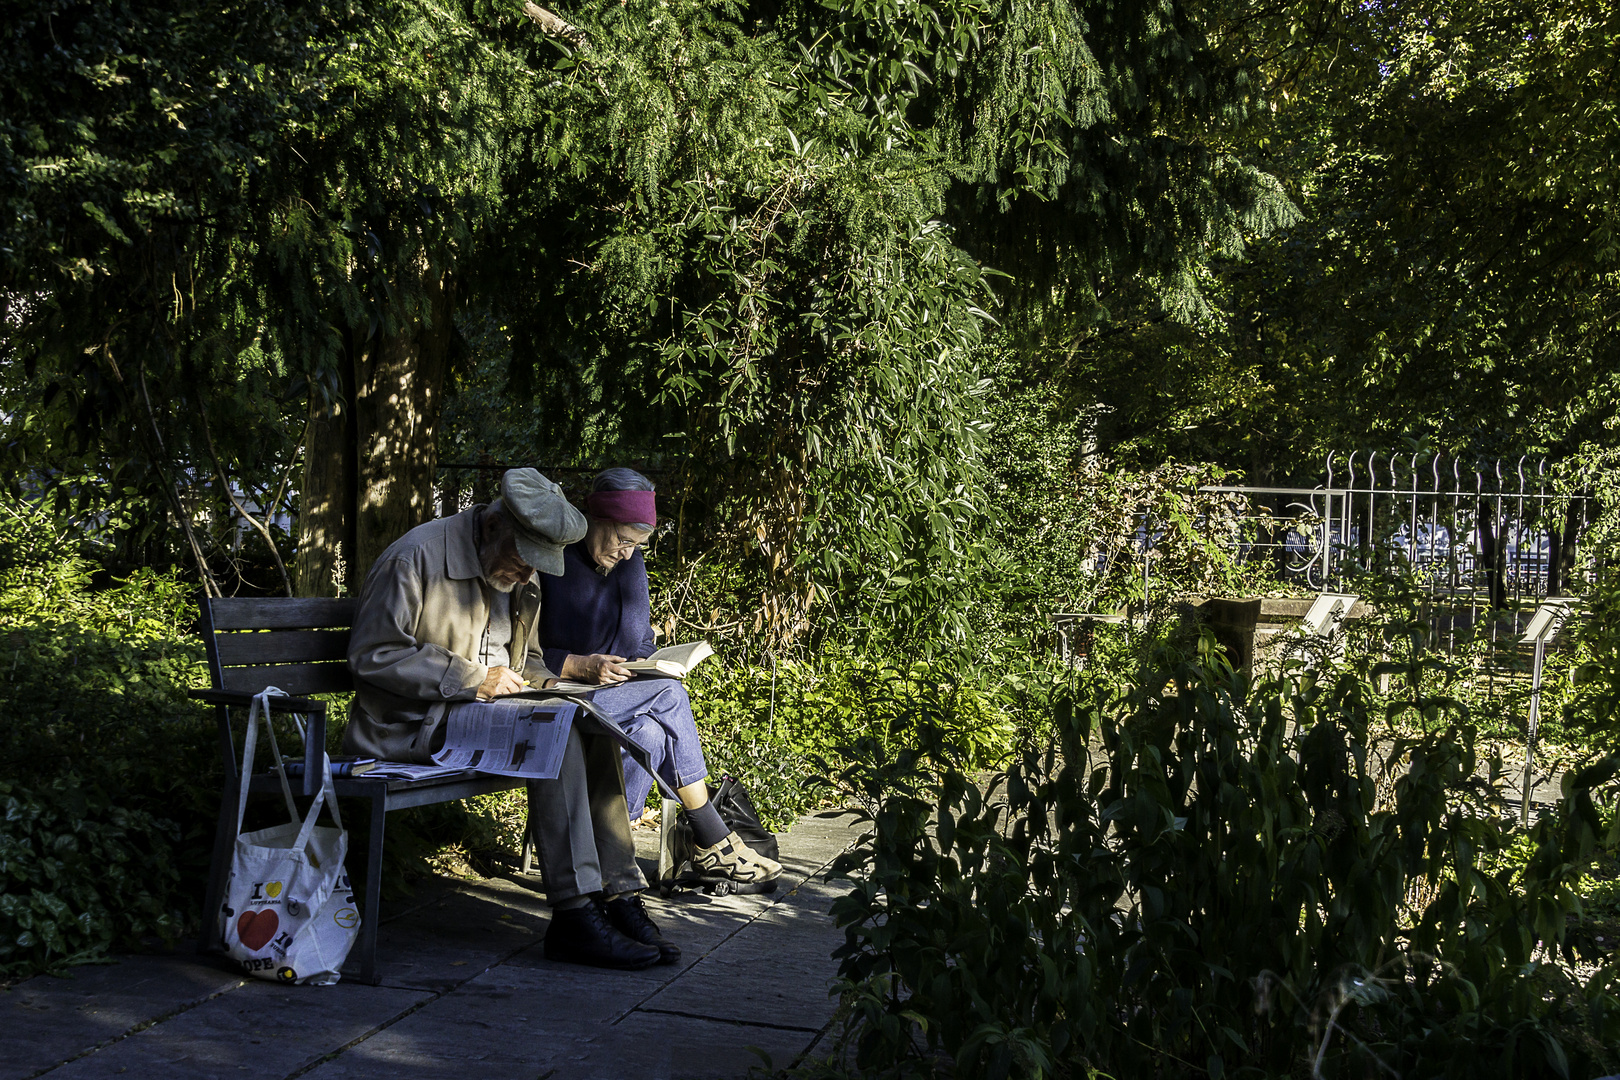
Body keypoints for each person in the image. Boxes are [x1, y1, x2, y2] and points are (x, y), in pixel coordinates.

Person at [342, 468, 679, 970]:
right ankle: (574, 912)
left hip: (478, 718)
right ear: (494, 525)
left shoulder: (519, 569)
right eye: (523, 562)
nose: (526, 577)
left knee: (585, 724)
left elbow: (532, 661)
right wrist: (469, 678)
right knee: (554, 736)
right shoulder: (416, 557)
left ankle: (618, 893)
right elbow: (372, 653)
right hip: (407, 725)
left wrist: (554, 681)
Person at [538, 467, 782, 890]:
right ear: (597, 519)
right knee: (669, 696)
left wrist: (652, 664)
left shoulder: (630, 567)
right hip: (557, 694)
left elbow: (638, 643)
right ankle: (713, 838)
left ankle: (614, 847)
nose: (628, 554)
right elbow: (523, 651)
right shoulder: (550, 559)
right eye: (622, 540)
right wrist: (580, 665)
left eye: (638, 545)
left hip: (614, 696)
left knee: (649, 733)